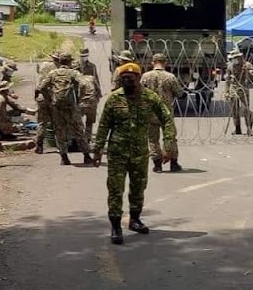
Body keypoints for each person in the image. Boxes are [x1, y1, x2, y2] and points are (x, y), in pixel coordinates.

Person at [93, 62, 177, 245]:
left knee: (138, 188)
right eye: (123, 79)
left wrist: (168, 144)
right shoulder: (114, 99)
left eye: (130, 79)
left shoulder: (150, 97)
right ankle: (115, 226)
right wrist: (98, 149)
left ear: (138, 78)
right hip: (117, 153)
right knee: (115, 190)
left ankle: (135, 219)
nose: (127, 82)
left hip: (140, 153)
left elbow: (167, 119)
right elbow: (103, 125)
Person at [37, 51, 93, 166]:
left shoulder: (53, 73)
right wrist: (80, 98)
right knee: (79, 130)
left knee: (59, 131)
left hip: (57, 107)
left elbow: (41, 87)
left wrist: (49, 99)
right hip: (71, 107)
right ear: (69, 61)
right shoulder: (73, 73)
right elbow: (84, 84)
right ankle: (86, 156)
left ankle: (64, 158)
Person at [140, 53, 183, 173]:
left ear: (153, 63)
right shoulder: (170, 77)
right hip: (166, 112)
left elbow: (140, 93)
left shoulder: (145, 76)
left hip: (151, 112)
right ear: (165, 63)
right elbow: (179, 93)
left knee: (153, 139)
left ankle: (157, 164)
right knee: (170, 137)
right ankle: (173, 163)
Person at [225, 48, 253, 135]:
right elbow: (227, 80)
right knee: (234, 110)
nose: (234, 60)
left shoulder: (247, 65)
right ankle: (237, 128)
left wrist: (247, 72)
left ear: (240, 57)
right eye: (233, 58)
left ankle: (249, 128)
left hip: (243, 89)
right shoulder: (230, 66)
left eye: (236, 57)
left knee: (245, 109)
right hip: (233, 89)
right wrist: (226, 92)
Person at [34, 52, 60, 154]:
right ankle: (60, 146)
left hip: (40, 97)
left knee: (42, 123)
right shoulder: (57, 70)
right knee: (57, 123)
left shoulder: (44, 66)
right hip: (51, 97)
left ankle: (39, 145)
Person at [78, 75, 99, 147]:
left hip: (82, 103)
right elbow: (98, 90)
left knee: (78, 122)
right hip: (92, 102)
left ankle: (80, 140)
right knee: (89, 123)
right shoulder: (91, 78)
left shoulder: (77, 79)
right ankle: (87, 140)